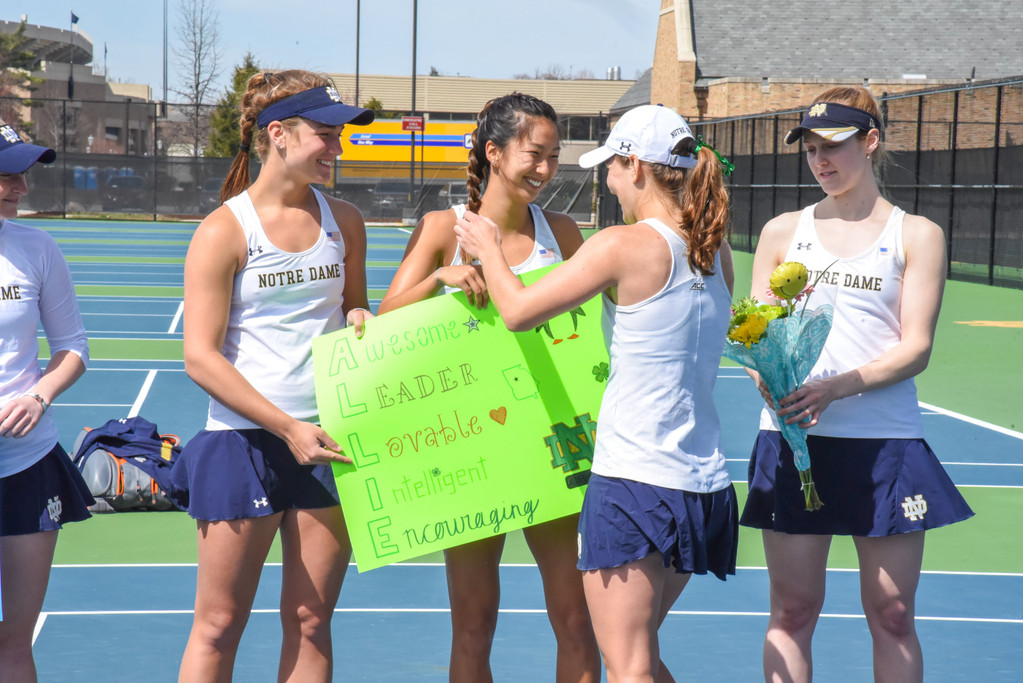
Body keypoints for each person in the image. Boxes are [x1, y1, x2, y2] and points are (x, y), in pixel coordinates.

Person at [453, 104, 739, 683]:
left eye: (611, 165)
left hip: (634, 484)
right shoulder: (714, 247)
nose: (605, 178)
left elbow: (518, 312)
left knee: (628, 667)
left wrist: (486, 245)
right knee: (642, 658)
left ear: (635, 166)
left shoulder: (624, 244)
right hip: (703, 486)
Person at [739, 86, 974, 683]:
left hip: (883, 443)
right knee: (793, 609)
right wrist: (765, 377)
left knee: (892, 613)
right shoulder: (780, 231)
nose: (822, 160)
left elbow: (916, 347)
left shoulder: (916, 234)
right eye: (811, 148)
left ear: (870, 142)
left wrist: (835, 388)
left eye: (835, 146)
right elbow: (753, 334)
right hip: (793, 444)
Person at [377, 93, 601, 683]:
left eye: (554, 157)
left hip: (556, 449)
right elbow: (383, 321)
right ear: (494, 152)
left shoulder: (564, 233)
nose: (546, 170)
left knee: (577, 620)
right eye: (535, 154)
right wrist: (438, 278)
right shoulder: (442, 230)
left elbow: (592, 331)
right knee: (473, 628)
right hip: (472, 453)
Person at [170, 71, 375, 683]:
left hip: (329, 441)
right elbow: (200, 357)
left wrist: (363, 315)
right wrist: (287, 426)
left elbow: (354, 308)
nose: (337, 149)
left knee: (312, 620)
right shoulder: (223, 230)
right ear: (279, 134)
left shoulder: (347, 221)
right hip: (244, 442)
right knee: (218, 624)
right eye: (326, 134)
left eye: (340, 136)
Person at [0, 121, 92, 681]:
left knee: (15, 645)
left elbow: (73, 348)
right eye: (7, 176)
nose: (21, 188)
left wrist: (39, 395)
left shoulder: (36, 247)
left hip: (27, 464)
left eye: (23, 175)